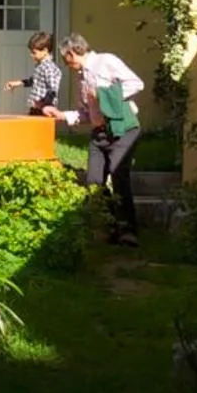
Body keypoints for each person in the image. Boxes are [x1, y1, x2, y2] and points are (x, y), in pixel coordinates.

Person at [57, 32, 147, 246]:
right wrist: (64, 116)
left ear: (72, 53)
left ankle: (129, 230)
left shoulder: (106, 61)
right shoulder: (83, 77)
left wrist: (104, 94)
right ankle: (110, 225)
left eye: (66, 60)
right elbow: (89, 113)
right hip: (100, 133)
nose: (68, 66)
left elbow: (137, 83)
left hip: (123, 128)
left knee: (119, 175)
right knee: (94, 181)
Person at [4, 30, 63, 116]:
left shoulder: (49, 68)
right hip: (35, 108)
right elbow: (35, 80)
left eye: (34, 53)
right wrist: (19, 83)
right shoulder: (40, 65)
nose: (31, 55)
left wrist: (43, 103)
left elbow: (53, 90)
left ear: (45, 50)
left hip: (45, 110)